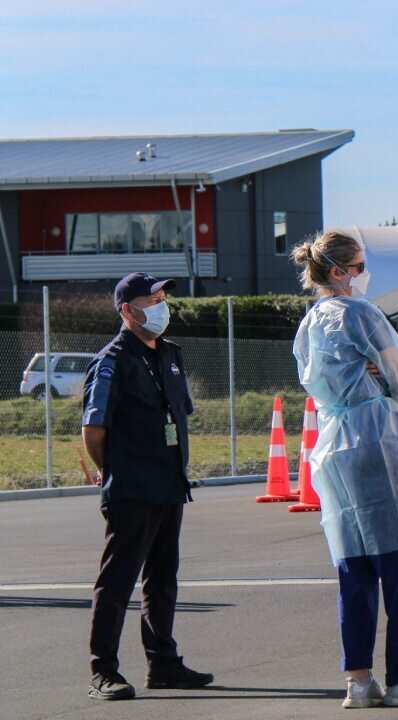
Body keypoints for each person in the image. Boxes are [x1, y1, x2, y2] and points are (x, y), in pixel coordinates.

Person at [291, 231, 398, 709]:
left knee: (355, 563)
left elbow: (312, 378)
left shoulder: (311, 322)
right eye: (358, 266)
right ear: (339, 272)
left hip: (333, 440)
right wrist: (383, 383)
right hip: (376, 437)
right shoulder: (360, 312)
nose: (363, 274)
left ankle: (359, 680)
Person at [81, 272, 214, 701]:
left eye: (162, 297)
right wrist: (113, 471)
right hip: (132, 487)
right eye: (151, 299)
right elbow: (94, 429)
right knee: (117, 582)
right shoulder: (112, 360)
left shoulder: (170, 354)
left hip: (169, 483)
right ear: (126, 310)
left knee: (162, 578)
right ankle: (104, 670)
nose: (161, 305)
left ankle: (164, 663)